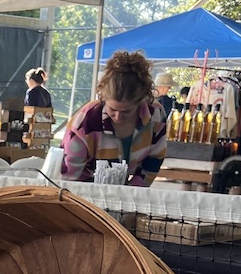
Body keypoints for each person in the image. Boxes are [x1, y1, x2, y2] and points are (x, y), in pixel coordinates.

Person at [60, 49, 167, 186]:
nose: (118, 117)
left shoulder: (156, 115)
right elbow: (69, 178)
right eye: (112, 109)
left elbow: (154, 159)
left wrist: (131, 192)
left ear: (141, 101)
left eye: (127, 111)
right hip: (84, 188)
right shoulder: (83, 123)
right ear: (103, 98)